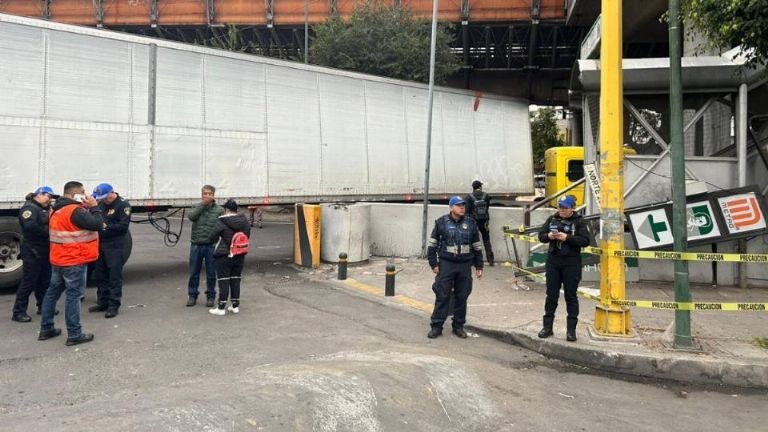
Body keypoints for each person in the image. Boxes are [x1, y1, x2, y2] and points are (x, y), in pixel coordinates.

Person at [38, 181, 103, 346]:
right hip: (74, 260)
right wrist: (94, 207)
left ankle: (46, 329)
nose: (86, 195)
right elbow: (97, 224)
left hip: (58, 259)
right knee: (73, 297)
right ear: (76, 194)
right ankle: (74, 334)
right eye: (83, 192)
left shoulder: (56, 210)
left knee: (52, 293)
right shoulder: (76, 211)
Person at [426, 196, 484, 339]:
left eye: (463, 205)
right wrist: (433, 263)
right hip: (447, 263)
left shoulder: (471, 223)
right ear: (451, 208)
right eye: (458, 205)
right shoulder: (441, 223)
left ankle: (458, 326)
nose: (462, 207)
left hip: (465, 264)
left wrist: (479, 265)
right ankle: (436, 326)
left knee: (462, 296)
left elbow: (477, 246)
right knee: (442, 295)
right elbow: (432, 245)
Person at [537, 195, 590, 342]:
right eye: (560, 206)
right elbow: (540, 236)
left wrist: (566, 238)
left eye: (565, 207)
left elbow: (585, 241)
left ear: (572, 208)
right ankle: (547, 328)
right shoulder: (552, 219)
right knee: (551, 296)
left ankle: (571, 331)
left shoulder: (579, 221)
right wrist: (549, 236)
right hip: (553, 262)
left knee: (571, 296)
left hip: (571, 263)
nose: (562, 210)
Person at [12, 186, 58, 323]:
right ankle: (18, 311)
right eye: (48, 197)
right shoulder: (30, 208)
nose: (50, 200)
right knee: (29, 281)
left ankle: (43, 306)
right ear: (40, 194)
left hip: (44, 249)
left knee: (44, 279)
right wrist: (49, 233)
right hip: (32, 249)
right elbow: (31, 227)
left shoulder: (43, 208)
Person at [88, 183, 131, 318]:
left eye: (105, 198)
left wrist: (106, 227)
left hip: (115, 244)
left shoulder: (123, 205)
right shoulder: (100, 204)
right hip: (100, 243)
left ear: (112, 193)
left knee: (114, 275)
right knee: (101, 274)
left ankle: (113, 305)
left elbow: (123, 226)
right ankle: (102, 302)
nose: (103, 200)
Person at [205, 199, 251, 316]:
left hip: (224, 255)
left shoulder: (222, 221)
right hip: (239, 254)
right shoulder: (244, 221)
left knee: (224, 280)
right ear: (236, 210)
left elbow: (212, 238)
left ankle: (221, 307)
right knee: (236, 278)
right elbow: (247, 236)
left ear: (226, 210)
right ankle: (235, 306)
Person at [186, 185, 224, 307]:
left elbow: (223, 227)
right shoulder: (197, 207)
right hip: (196, 244)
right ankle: (192, 295)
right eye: (205, 193)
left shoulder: (219, 210)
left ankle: (211, 296)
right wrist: (202, 205)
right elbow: (191, 217)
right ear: (202, 195)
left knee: (211, 273)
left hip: (211, 246)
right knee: (193, 272)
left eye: (210, 194)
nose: (207, 196)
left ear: (214, 195)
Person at [465, 180, 495, 266]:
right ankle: (491, 260)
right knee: (486, 240)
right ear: (480, 187)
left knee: (472, 241)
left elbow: (467, 211)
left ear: (473, 187)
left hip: (473, 222)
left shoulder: (469, 197)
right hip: (484, 222)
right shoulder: (486, 196)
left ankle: (473, 261)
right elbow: (487, 208)